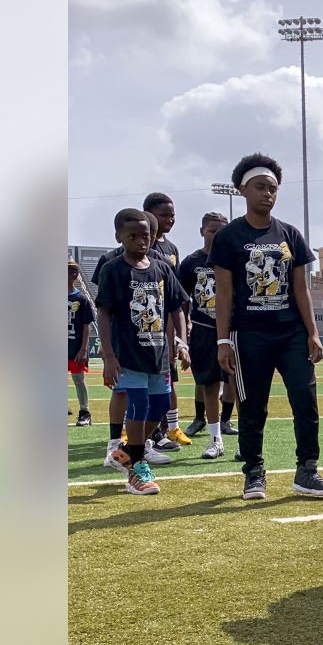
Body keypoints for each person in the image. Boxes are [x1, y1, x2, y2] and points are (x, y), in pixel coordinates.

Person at [210, 153, 323, 500]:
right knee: (253, 405)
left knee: (304, 401)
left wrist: (313, 332)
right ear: (242, 190)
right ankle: (253, 473)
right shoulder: (229, 237)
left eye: (273, 188)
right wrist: (223, 340)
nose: (268, 193)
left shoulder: (290, 234)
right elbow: (223, 293)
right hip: (248, 334)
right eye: (260, 187)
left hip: (291, 333)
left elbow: (301, 289)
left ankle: (307, 470)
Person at [95, 209, 190, 495]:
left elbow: (176, 307)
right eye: (132, 236)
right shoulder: (114, 270)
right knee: (138, 406)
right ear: (119, 238)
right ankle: (137, 469)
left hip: (158, 355)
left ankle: (126, 451)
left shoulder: (162, 268)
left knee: (160, 407)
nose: (140, 241)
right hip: (128, 356)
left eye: (145, 235)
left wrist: (182, 342)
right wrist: (109, 356)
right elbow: (104, 314)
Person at [178, 211, 234, 460]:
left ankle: (245, 439)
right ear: (202, 231)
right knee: (208, 384)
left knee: (240, 383)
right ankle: (215, 440)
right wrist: (183, 333)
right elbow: (182, 301)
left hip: (233, 330)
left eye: (222, 231)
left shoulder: (236, 259)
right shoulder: (191, 262)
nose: (217, 235)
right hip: (204, 330)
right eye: (213, 230)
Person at [143, 192, 194, 452]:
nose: (170, 219)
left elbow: (175, 297)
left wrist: (178, 337)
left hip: (165, 327)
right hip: (143, 325)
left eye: (172, 215)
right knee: (143, 384)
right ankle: (144, 434)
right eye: (164, 215)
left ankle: (166, 429)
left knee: (166, 382)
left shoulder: (172, 249)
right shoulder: (139, 245)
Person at [68, 259, 94, 426]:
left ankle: (84, 412)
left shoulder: (82, 299)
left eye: (75, 271)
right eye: (70, 271)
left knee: (78, 379)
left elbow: (87, 326)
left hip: (74, 347)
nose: (73, 274)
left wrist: (83, 349)